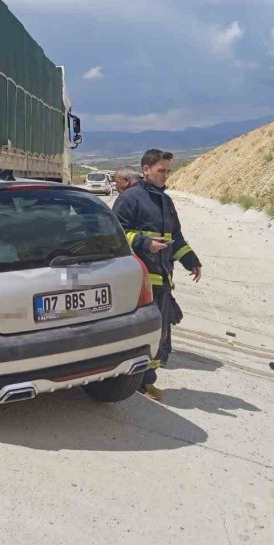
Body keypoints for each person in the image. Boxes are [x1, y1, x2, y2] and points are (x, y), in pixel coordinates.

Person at [112, 149, 202, 399]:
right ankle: (130, 380)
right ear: (146, 170)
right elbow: (116, 234)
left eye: (168, 170)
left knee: (159, 333)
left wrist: (190, 259)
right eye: (161, 170)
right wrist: (143, 242)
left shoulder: (165, 201)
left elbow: (176, 237)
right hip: (138, 281)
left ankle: (146, 381)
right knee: (140, 333)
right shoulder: (130, 199)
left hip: (163, 278)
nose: (165, 175)